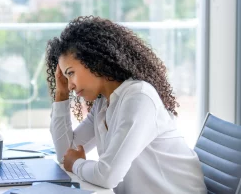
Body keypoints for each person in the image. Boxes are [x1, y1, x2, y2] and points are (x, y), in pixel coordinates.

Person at [46, 16, 206, 194]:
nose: (70, 85)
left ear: (95, 60)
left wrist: (77, 164)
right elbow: (65, 154)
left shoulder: (138, 98)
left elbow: (107, 176)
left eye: (71, 73)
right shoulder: (103, 103)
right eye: (66, 78)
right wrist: (61, 94)